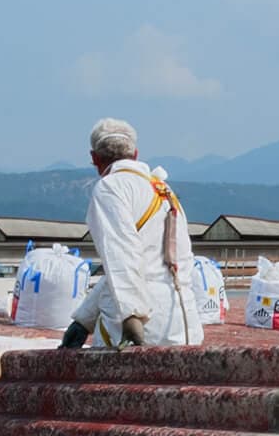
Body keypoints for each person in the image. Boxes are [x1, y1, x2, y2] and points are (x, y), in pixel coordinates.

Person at [60, 118, 203, 349]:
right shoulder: (163, 191)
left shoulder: (111, 188)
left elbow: (122, 257)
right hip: (182, 323)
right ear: (135, 154)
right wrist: (84, 320)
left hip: (138, 325)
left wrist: (132, 316)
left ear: (95, 158)